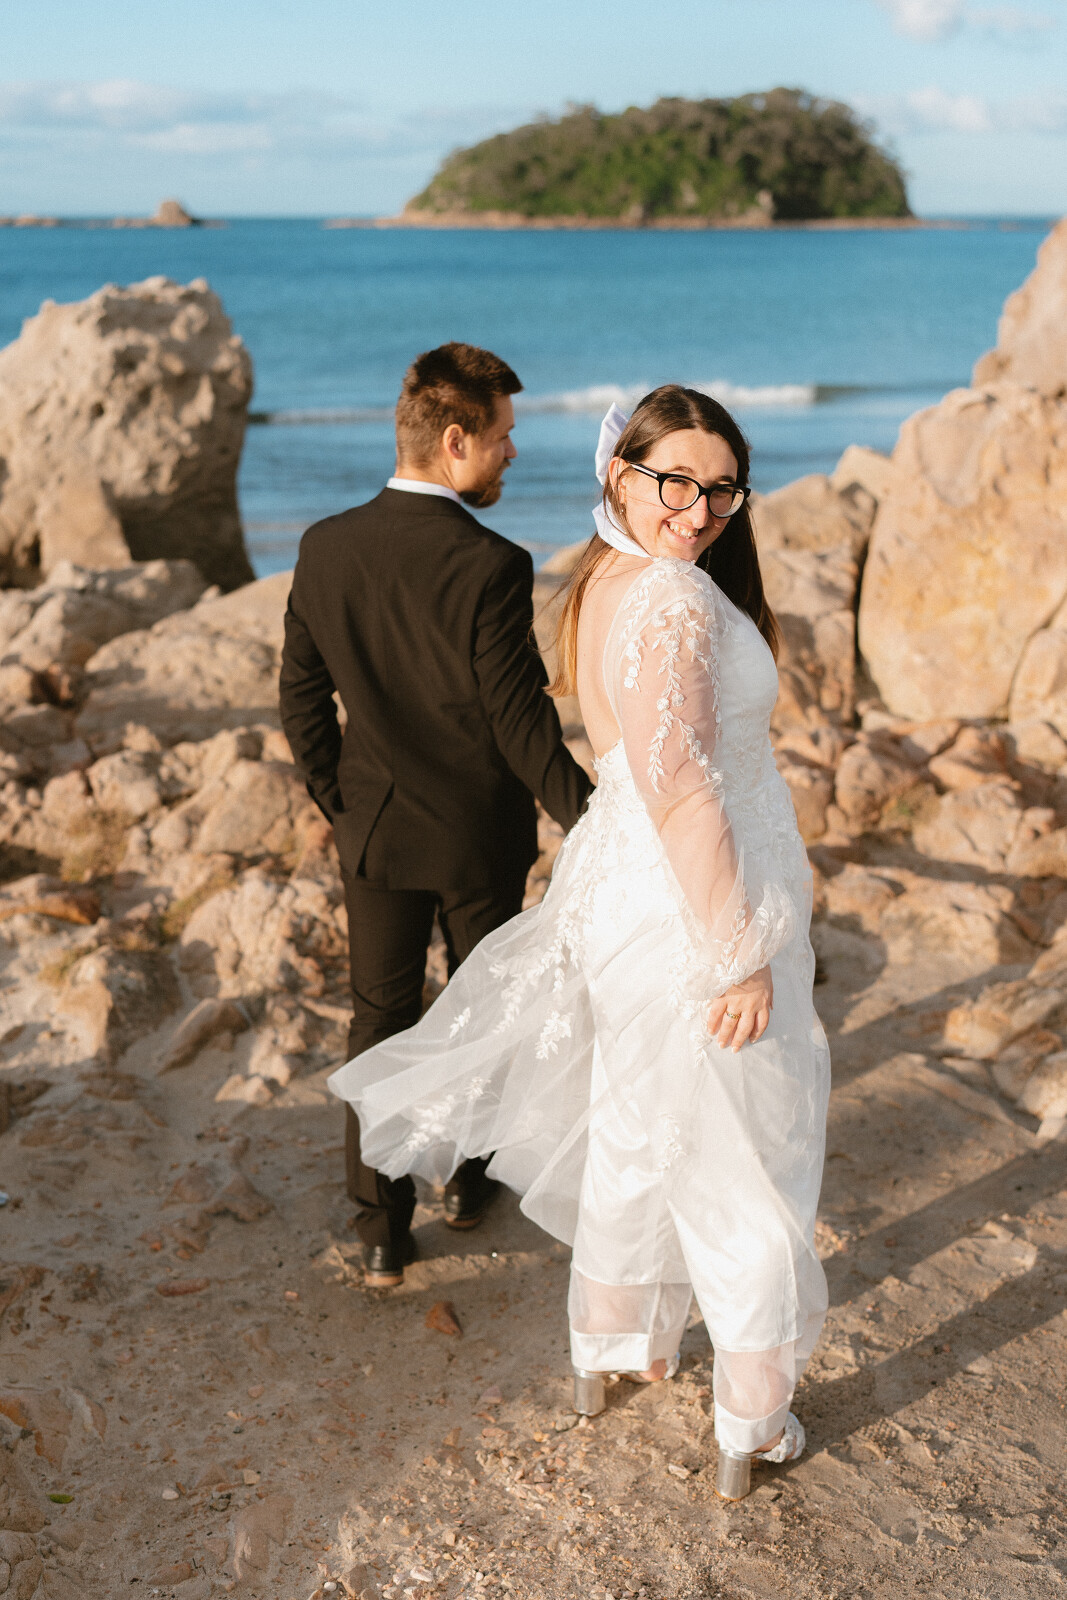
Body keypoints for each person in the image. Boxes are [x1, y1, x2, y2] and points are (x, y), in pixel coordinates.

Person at [327, 385, 830, 1499]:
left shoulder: (605, 575)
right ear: (621, 472)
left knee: (640, 1125)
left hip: (623, 892)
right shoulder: (674, 598)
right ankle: (751, 1419)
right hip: (692, 906)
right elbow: (682, 789)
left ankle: (612, 1348)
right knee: (740, 1157)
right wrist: (739, 949)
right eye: (674, 481)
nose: (698, 510)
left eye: (720, 490)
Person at [279, 342, 593, 1288]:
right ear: (454, 440)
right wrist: (596, 818)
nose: (510, 452)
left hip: (374, 832)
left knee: (376, 1020)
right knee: (477, 1013)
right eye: (500, 437)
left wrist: (341, 803)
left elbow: (301, 698)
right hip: (476, 837)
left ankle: (380, 1229)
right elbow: (519, 723)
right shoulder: (491, 564)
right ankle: (466, 1180)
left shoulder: (325, 547)